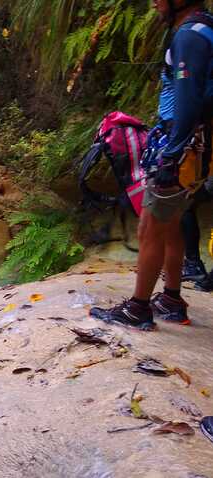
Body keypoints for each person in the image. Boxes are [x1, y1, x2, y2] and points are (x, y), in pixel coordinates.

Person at [91, 0, 213, 329]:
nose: (154, 2)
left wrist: (171, 155)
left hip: (181, 146)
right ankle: (172, 300)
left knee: (149, 227)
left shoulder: (190, 37)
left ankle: (138, 309)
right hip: (194, 147)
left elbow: (188, 102)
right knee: (171, 225)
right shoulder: (206, 29)